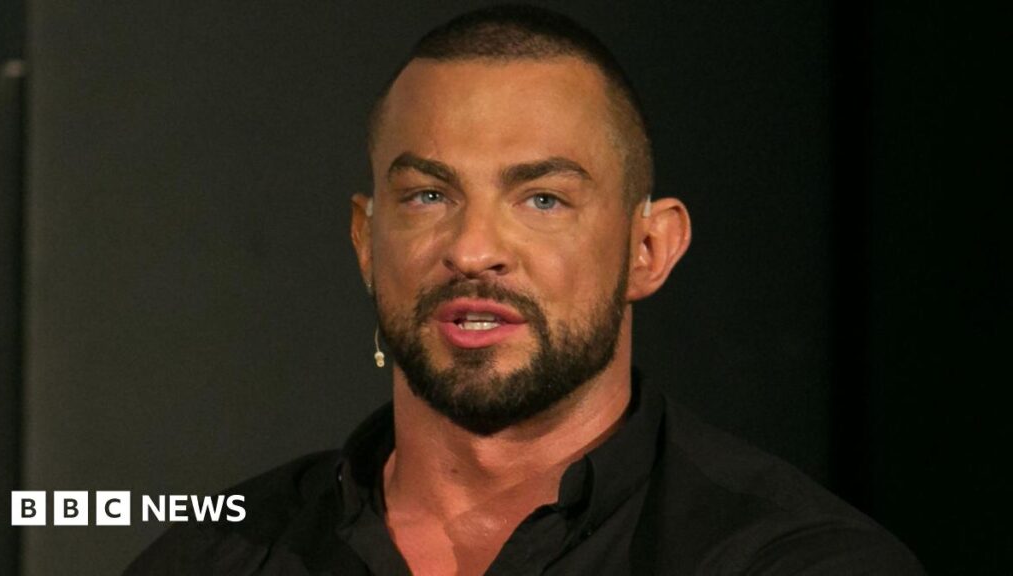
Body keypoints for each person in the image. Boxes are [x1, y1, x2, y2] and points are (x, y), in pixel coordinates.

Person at [126, 5, 923, 575]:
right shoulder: (212, 553)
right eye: (428, 196)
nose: (474, 250)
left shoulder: (790, 558)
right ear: (367, 241)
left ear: (649, 247)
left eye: (542, 199)